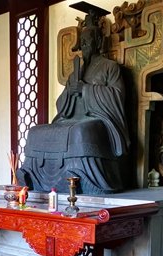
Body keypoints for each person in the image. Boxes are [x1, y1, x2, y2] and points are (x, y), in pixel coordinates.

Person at [17, 19, 131, 194]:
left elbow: (117, 96)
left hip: (98, 120)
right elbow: (61, 104)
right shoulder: (75, 73)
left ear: (98, 42)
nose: (83, 45)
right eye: (81, 42)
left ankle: (78, 176)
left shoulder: (110, 67)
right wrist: (69, 93)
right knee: (35, 131)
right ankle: (32, 175)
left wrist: (85, 89)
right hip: (70, 119)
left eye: (87, 41)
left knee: (80, 132)